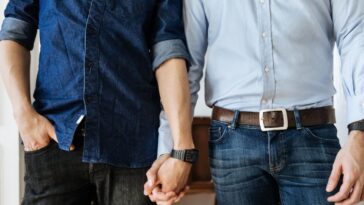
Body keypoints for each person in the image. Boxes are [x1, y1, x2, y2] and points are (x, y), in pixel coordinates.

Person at [146, 0, 364, 204]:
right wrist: (171, 150)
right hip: (231, 141)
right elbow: (187, 67)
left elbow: (356, 35)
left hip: (313, 136)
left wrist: (360, 136)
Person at [0, 0, 194, 204]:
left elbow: (168, 50)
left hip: (133, 145)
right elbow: (15, 29)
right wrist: (23, 115)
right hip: (55, 139)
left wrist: (182, 151)